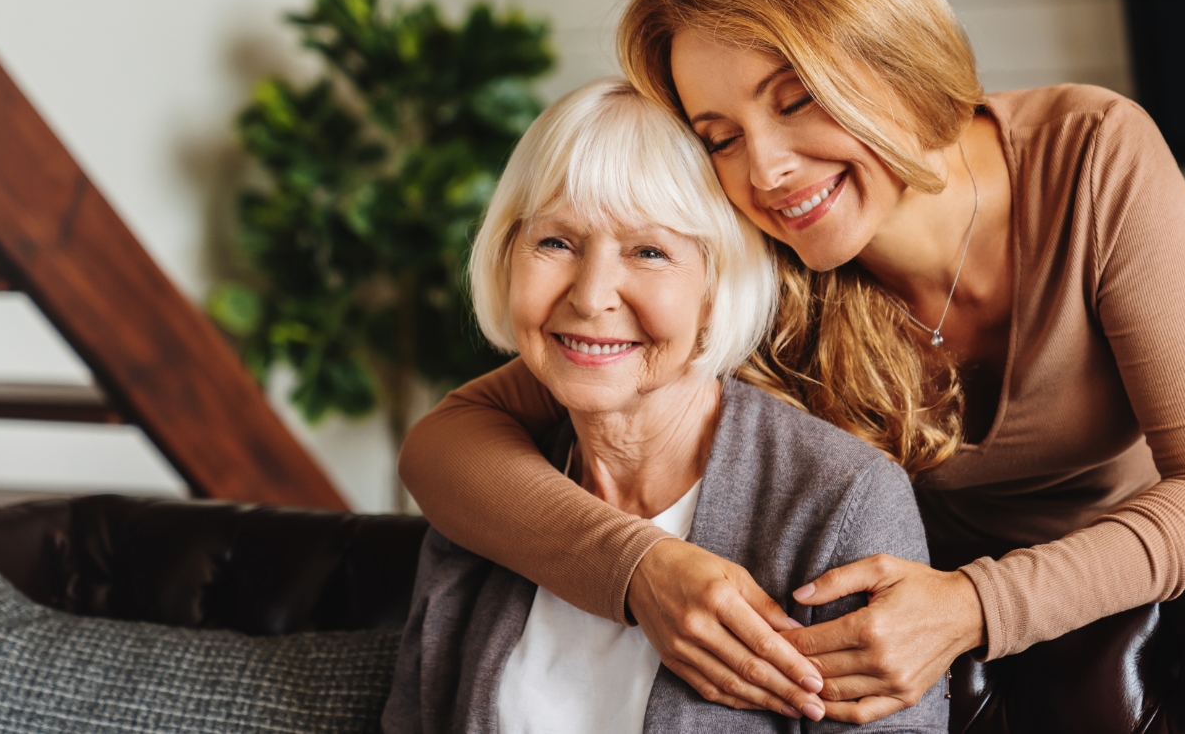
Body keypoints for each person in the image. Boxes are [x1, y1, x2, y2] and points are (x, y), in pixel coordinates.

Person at [398, 0, 1185, 725]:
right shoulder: (760, 266)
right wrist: (640, 571)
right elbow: (447, 444)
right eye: (721, 138)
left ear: (893, 57)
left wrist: (971, 604)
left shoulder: (1091, 155)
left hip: (1123, 627)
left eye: (798, 100)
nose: (766, 170)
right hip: (880, 659)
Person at [383, 78, 948, 733]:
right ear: (506, 257)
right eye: (555, 243)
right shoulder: (488, 498)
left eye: (649, 251)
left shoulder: (839, 499)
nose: (592, 296)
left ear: (717, 284)